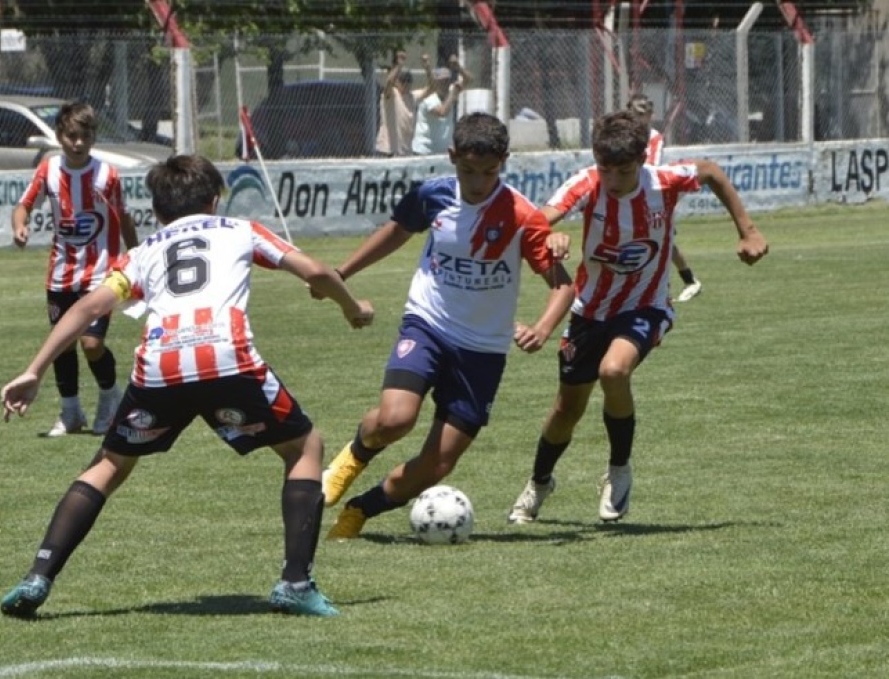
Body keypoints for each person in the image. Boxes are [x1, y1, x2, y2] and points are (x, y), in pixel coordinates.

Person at [0, 155, 375, 619]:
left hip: (160, 366)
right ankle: (295, 582)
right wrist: (351, 306)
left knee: (110, 465)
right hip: (224, 358)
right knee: (304, 448)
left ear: (157, 213)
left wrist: (35, 369)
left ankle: (38, 576)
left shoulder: (144, 251)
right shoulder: (240, 229)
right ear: (215, 200)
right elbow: (317, 272)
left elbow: (85, 308)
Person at [319, 112, 575, 540]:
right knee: (395, 419)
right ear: (452, 157)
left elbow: (562, 286)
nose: (477, 182)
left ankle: (360, 510)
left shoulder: (521, 216)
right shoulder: (431, 195)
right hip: (429, 322)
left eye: (489, 172)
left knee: (437, 465)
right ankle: (351, 458)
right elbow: (398, 232)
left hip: (483, 349)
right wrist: (342, 273)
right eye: (467, 170)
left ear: (504, 162)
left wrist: (544, 328)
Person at [506, 110, 769, 525]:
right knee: (566, 410)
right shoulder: (587, 183)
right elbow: (539, 219)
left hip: (646, 305)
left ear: (643, 160)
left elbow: (712, 172)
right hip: (590, 310)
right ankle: (539, 482)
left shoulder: (664, 183)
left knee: (614, 371)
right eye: (605, 169)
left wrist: (747, 229)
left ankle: (619, 468)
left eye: (623, 171)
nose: (612, 180)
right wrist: (551, 234)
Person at [11, 102, 138, 438]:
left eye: (85, 136)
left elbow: (123, 216)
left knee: (91, 343)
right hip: (61, 274)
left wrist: (136, 254)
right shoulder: (48, 170)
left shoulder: (107, 175)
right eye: (72, 136)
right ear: (60, 136)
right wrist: (19, 227)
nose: (79, 143)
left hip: (100, 273)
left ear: (93, 137)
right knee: (63, 344)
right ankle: (70, 413)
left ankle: (110, 400)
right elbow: (24, 205)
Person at [627, 93, 703, 302]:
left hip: (651, 191)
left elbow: (650, 165)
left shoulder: (654, 137)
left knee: (660, 240)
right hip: (632, 190)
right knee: (656, 240)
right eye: (634, 113)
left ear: (650, 115)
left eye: (642, 114)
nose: (638, 118)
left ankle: (677, 283)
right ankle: (687, 280)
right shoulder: (624, 134)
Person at [411, 54, 466, 155]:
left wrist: (458, 67)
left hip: (443, 150)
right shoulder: (429, 97)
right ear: (436, 82)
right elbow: (442, 112)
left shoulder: (450, 92)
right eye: (442, 81)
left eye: (447, 81)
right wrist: (453, 94)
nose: (445, 84)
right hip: (425, 150)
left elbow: (469, 80)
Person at [375, 50, 417, 157]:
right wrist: (399, 65)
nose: (406, 84)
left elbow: (430, 89)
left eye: (408, 81)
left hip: (402, 149)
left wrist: (427, 67)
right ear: (397, 81)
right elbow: (389, 82)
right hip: (386, 148)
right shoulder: (392, 93)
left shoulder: (411, 96)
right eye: (403, 81)